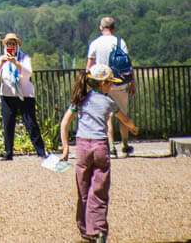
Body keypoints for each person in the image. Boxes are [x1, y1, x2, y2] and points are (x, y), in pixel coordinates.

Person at [59, 64, 138, 243]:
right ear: (103, 83)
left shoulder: (79, 100)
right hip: (101, 146)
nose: (111, 87)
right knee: (100, 190)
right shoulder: (109, 102)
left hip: (82, 147)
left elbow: (64, 123)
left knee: (83, 189)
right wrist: (132, 127)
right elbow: (123, 118)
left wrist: (65, 149)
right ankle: (99, 229)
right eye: (110, 83)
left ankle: (85, 229)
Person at [0, 30, 47, 159]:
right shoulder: (1, 58)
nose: (11, 47)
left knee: (31, 123)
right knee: (8, 124)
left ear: (17, 46)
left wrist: (16, 63)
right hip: (8, 95)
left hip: (25, 95)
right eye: (9, 44)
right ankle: (8, 152)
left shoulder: (24, 58)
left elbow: (28, 73)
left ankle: (41, 151)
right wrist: (1, 63)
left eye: (14, 44)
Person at [86, 16, 137, 156]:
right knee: (123, 114)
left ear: (101, 28)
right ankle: (125, 144)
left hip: (103, 84)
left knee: (108, 116)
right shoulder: (120, 42)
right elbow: (128, 64)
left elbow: (89, 67)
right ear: (114, 28)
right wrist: (133, 82)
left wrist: (87, 84)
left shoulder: (95, 43)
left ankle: (111, 146)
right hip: (121, 83)